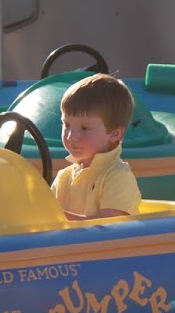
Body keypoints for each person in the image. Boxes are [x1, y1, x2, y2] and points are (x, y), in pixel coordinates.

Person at [51, 73, 142, 220]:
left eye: (84, 128)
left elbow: (110, 228)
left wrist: (59, 217)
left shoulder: (117, 176)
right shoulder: (64, 177)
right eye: (66, 125)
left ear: (114, 134)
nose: (71, 136)